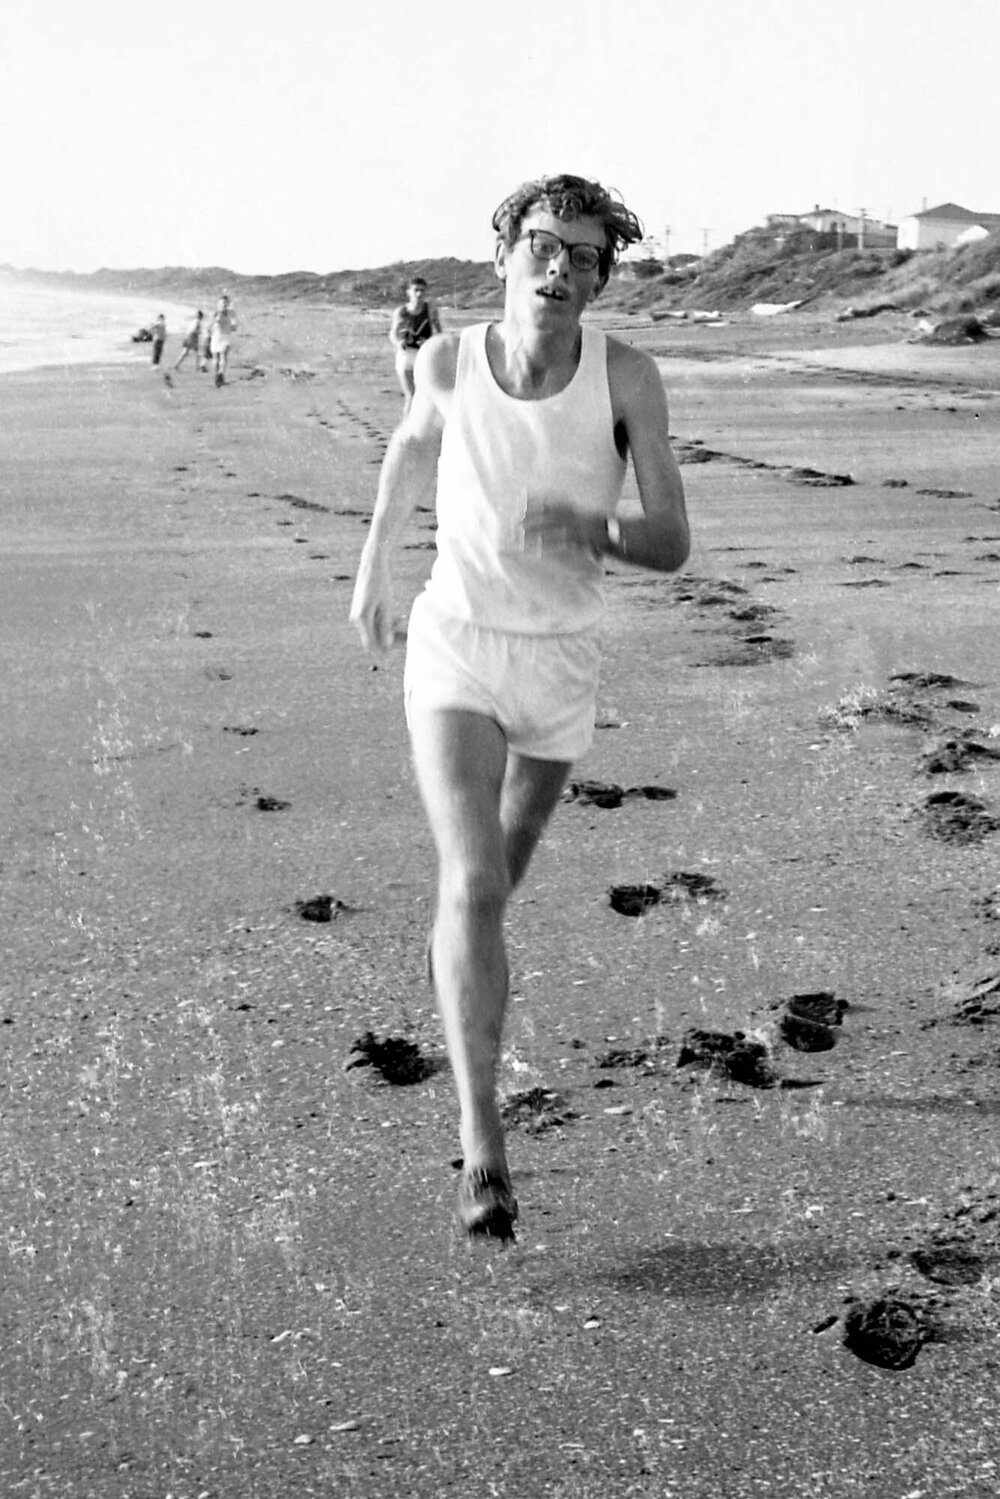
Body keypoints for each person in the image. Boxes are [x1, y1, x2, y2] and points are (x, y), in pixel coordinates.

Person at [349, 174, 690, 1242]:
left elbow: (672, 540)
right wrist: (374, 569)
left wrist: (594, 532)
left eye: (584, 257)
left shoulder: (626, 377)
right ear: (503, 254)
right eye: (544, 246)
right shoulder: (450, 361)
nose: (561, 269)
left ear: (599, 278)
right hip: (456, 647)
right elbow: (412, 446)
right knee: (473, 877)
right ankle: (482, 1145)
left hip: (559, 666)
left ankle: (466, 1006)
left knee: (490, 895)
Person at [389, 277, 441, 410]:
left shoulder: (430, 310)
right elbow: (393, 334)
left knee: (424, 394)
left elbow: (439, 333)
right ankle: (407, 428)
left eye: (422, 291)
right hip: (406, 355)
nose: (419, 294)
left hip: (424, 354)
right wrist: (398, 342)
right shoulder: (402, 312)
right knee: (411, 395)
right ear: (409, 292)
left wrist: (430, 342)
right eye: (416, 290)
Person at [209, 293, 237, 386]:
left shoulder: (219, 312)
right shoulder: (226, 313)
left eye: (225, 303)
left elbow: (211, 324)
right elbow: (234, 326)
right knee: (221, 356)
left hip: (219, 336)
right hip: (220, 335)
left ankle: (218, 375)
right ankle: (220, 375)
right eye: (223, 304)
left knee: (218, 357)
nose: (224, 305)